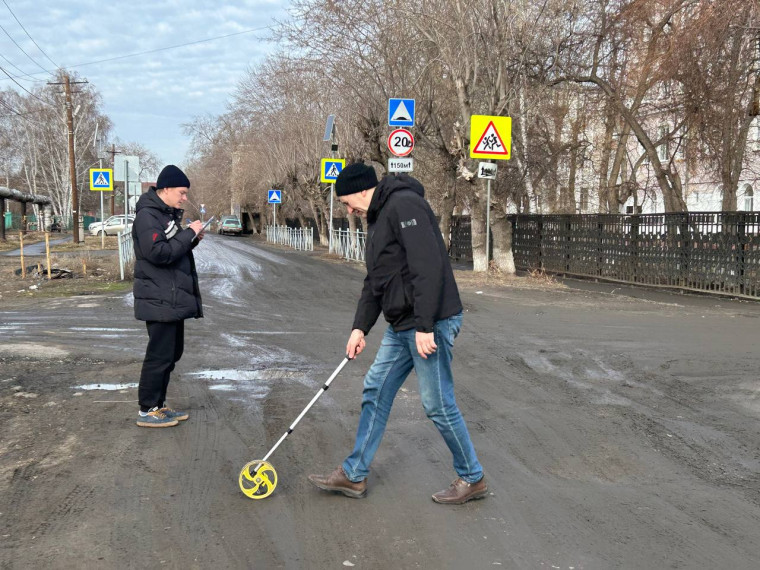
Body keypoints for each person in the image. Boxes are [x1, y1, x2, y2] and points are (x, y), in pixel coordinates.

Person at [308, 162, 487, 504]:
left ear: (363, 189)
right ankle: (354, 474)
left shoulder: (405, 204)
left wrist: (425, 326)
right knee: (375, 388)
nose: (348, 210)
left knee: (436, 404)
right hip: (402, 324)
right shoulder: (377, 217)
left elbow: (428, 266)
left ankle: (472, 477)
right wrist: (360, 327)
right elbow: (376, 280)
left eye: (348, 202)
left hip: (429, 322)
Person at [132, 165, 205, 428]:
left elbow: (172, 248)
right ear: (164, 190)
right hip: (159, 297)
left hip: (169, 297)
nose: (185, 198)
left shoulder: (163, 215)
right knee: (159, 356)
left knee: (172, 353)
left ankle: (158, 406)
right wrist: (188, 234)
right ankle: (147, 409)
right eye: (182, 192)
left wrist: (192, 239)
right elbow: (158, 254)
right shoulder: (148, 216)